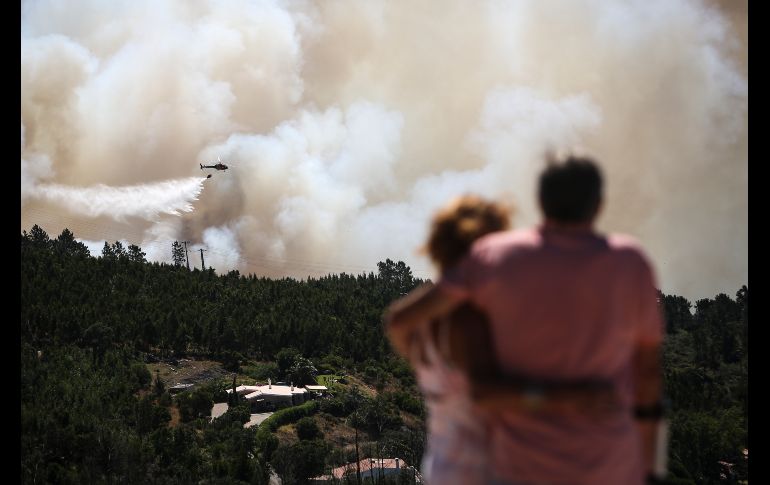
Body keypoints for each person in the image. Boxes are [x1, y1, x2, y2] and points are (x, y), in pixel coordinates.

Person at [385, 155, 664, 485]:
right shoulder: (632, 260)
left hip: (470, 468)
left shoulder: (439, 314)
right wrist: (649, 466)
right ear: (599, 204)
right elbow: (647, 373)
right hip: (572, 465)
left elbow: (399, 320)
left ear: (541, 201)